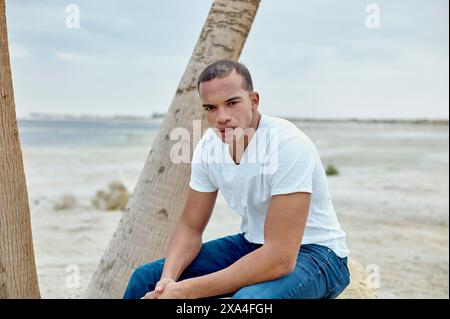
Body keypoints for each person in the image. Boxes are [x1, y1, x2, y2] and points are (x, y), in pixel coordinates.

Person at [123, 59, 350, 299]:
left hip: (317, 254)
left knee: (246, 302)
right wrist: (167, 282)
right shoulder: (208, 148)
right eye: (211, 108)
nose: (221, 117)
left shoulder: (288, 145)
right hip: (251, 244)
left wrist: (185, 291)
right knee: (145, 279)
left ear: (254, 101)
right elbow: (190, 227)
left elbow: (281, 258)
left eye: (232, 103)